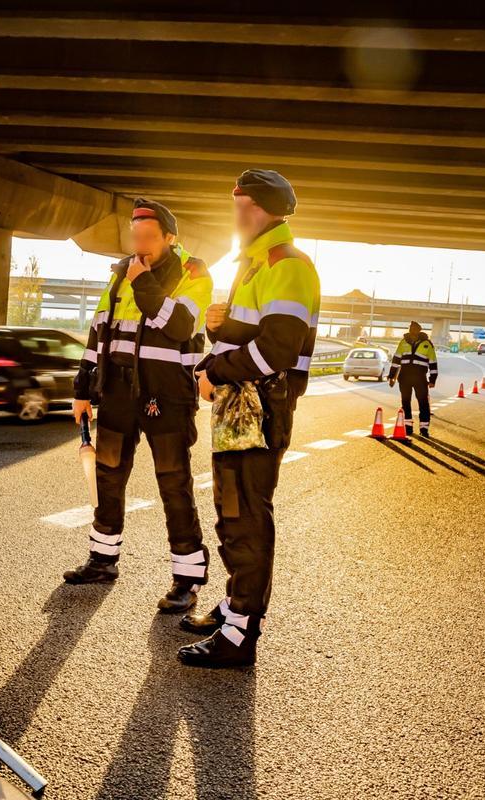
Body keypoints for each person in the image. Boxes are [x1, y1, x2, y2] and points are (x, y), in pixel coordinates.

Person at [180, 169, 321, 668]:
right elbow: (258, 333)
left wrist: (215, 369)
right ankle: (235, 604)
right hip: (243, 410)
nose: (233, 215)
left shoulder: (288, 264)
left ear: (256, 209)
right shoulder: (259, 265)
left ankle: (240, 633)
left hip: (261, 410)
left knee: (245, 519)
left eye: (239, 205)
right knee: (231, 513)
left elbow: (279, 347)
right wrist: (223, 329)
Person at [65, 198, 214, 614]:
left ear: (170, 238)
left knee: (173, 483)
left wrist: (143, 281)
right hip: (117, 393)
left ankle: (186, 579)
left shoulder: (193, 274)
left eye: (150, 237)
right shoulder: (119, 274)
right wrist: (82, 390)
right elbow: (98, 334)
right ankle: (102, 560)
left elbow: (180, 324)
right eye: (136, 236)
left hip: (166, 397)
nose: (141, 244)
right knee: (108, 476)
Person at [388, 321, 438, 436]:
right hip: (404, 377)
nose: (412, 331)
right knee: (405, 402)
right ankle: (408, 427)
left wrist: (432, 379)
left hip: (420, 378)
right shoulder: (403, 342)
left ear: (419, 330)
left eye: (414, 329)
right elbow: (396, 360)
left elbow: (433, 363)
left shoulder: (427, 344)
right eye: (410, 329)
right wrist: (391, 376)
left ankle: (424, 429)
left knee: (423, 403)